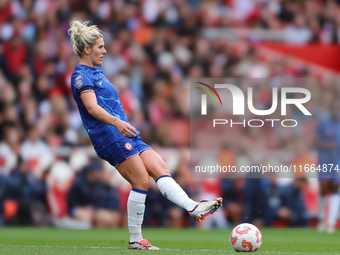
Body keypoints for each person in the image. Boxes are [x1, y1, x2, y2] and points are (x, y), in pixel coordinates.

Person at [68, 20, 223, 250]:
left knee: (160, 167)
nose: (105, 50)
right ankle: (135, 239)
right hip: (109, 135)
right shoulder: (81, 76)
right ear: (87, 49)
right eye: (100, 47)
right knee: (141, 180)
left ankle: (193, 207)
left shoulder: (96, 72)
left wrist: (121, 124)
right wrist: (117, 122)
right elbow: (91, 108)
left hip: (125, 132)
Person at [314, 100, 340, 234]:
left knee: (335, 188)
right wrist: (326, 145)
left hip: (337, 161)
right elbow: (315, 141)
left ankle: (331, 223)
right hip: (324, 159)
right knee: (324, 188)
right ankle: (321, 219)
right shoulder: (324, 124)